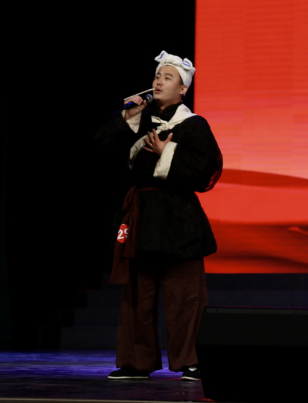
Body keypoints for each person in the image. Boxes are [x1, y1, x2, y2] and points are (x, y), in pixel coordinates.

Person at [95, 51, 222, 381]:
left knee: (186, 296)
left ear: (183, 89)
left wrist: (169, 152)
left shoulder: (194, 125)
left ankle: (191, 360)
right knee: (138, 294)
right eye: (157, 76)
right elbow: (101, 149)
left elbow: (207, 171)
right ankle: (136, 362)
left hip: (179, 217)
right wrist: (127, 118)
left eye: (168, 77)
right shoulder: (137, 119)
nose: (159, 81)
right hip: (143, 213)